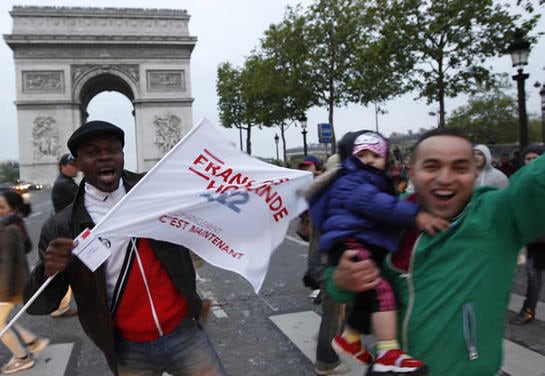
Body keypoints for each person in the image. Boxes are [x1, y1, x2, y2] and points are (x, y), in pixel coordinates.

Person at [328, 128, 545, 375]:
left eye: (460, 168)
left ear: (476, 173)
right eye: (431, 166)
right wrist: (340, 280)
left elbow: (538, 182)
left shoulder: (499, 217)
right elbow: (340, 276)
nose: (445, 178)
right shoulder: (389, 218)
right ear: (412, 172)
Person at [23, 120, 226, 376]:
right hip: (127, 349)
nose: (105, 157)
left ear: (122, 155)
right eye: (93, 152)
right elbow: (38, 306)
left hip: (184, 333)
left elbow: (208, 202)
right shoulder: (61, 227)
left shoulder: (154, 192)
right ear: (77, 163)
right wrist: (47, 273)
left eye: (113, 150)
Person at [308, 130, 449, 375]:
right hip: (351, 240)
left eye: (376, 154)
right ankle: (388, 351)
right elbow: (376, 204)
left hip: (355, 239)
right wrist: (416, 215)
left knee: (368, 293)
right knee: (380, 290)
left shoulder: (364, 178)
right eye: (363, 154)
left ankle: (350, 337)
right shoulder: (357, 179)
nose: (370, 159)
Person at [0, 191, 49, 374]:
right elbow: (27, 246)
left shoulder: (9, 228)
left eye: (2, 207)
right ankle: (32, 342)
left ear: (13, 209)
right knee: (3, 320)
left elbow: (7, 264)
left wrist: (3, 294)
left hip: (6, 286)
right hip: (13, 283)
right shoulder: (15, 223)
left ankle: (22, 358)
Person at [510, 144, 545, 325]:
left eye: (535, 158)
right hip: (534, 238)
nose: (531, 162)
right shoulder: (521, 181)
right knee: (532, 273)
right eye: (528, 159)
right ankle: (528, 309)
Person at [49, 153, 79, 318]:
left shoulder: (65, 182)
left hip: (66, 230)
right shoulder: (65, 185)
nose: (76, 167)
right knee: (67, 270)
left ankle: (60, 306)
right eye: (72, 164)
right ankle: (60, 307)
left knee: (67, 270)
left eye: (76, 164)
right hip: (67, 232)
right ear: (62, 167)